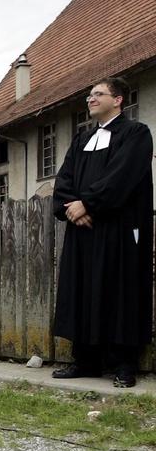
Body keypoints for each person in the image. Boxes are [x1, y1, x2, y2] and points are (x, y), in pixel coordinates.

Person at [51, 77, 153, 388]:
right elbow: (64, 179)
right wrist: (71, 208)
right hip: (83, 232)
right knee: (82, 290)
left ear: (118, 99)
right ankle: (86, 360)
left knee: (120, 291)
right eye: (89, 95)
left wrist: (89, 204)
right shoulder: (82, 139)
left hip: (119, 229)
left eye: (99, 94)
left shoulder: (136, 134)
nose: (90, 99)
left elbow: (122, 175)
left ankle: (124, 363)